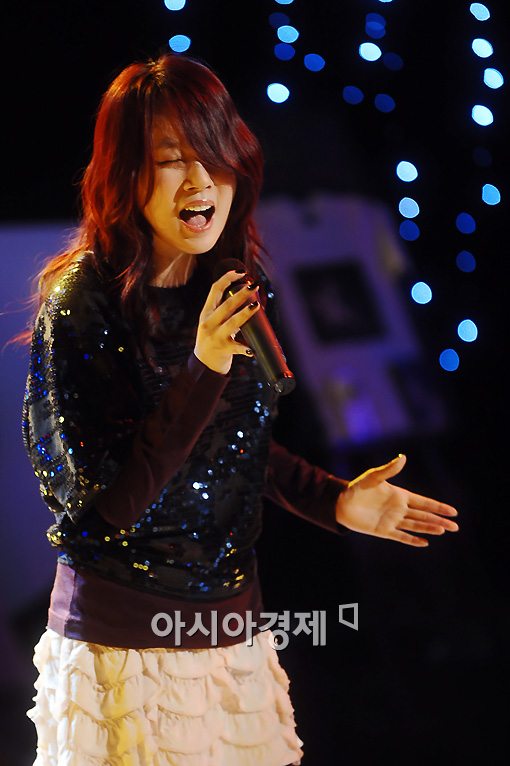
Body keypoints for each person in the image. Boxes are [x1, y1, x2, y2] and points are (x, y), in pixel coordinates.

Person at [17, 51, 459, 766]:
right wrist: (202, 369)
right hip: (126, 645)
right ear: (125, 174)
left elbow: (237, 444)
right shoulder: (81, 304)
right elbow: (109, 504)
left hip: (233, 632)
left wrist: (334, 500)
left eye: (213, 155)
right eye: (171, 160)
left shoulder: (230, 285)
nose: (199, 181)